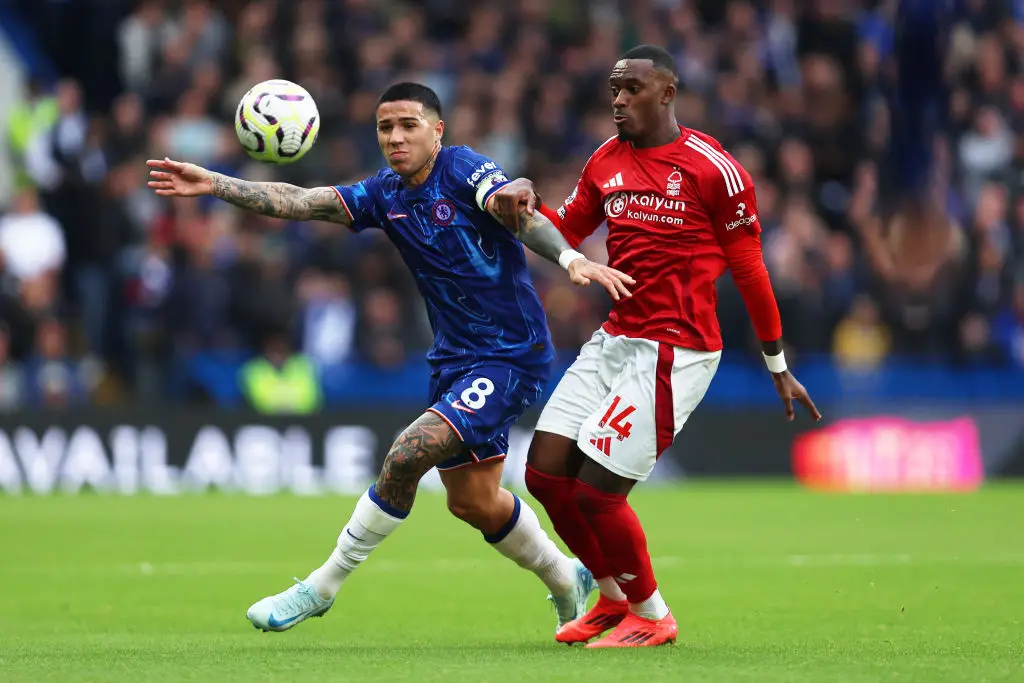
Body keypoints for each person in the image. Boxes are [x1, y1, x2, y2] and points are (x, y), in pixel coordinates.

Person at [147, 82, 635, 634]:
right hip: (454, 360)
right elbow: (303, 202)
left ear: (437, 129)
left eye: (408, 125)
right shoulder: (385, 193)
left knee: (408, 452)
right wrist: (214, 183)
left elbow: (518, 211)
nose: (396, 137)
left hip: (510, 356)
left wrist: (569, 256)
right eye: (385, 128)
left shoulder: (465, 170)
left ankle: (320, 586)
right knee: (474, 502)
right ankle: (567, 580)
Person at [492, 45, 822, 648]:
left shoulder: (712, 169)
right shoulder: (605, 161)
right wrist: (524, 206)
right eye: (614, 89)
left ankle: (653, 613)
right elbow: (565, 230)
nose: (618, 100)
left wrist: (776, 361)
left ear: (667, 93)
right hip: (616, 337)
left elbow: (749, 267)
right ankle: (613, 602)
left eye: (632, 89)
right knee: (542, 473)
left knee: (597, 489)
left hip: (677, 348)